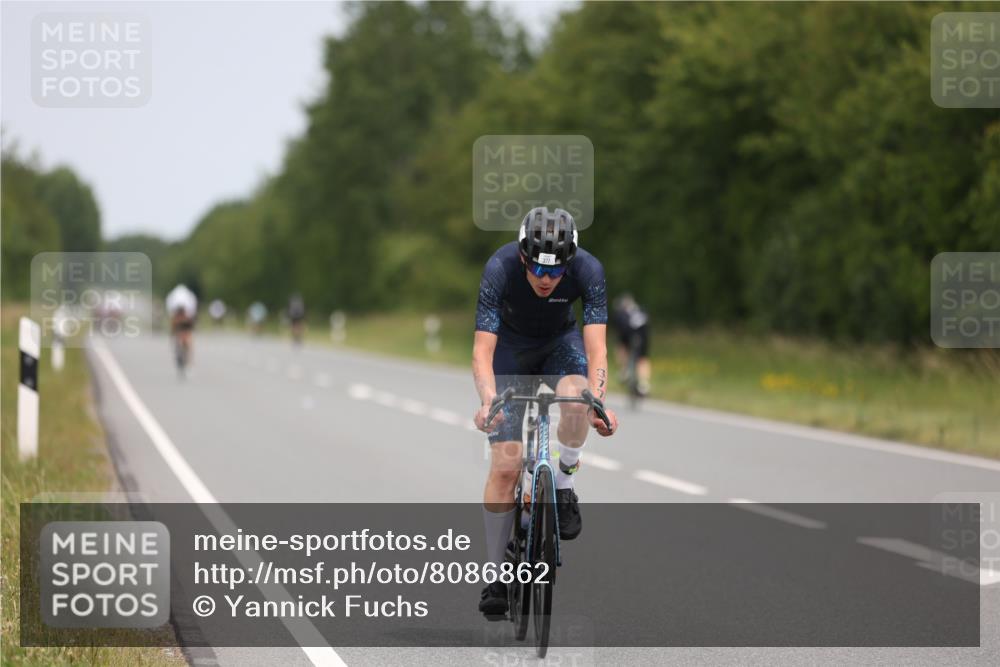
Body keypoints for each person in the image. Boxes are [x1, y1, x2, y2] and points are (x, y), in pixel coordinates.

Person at [472, 206, 619, 618]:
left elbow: (597, 350)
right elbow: (482, 351)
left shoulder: (589, 270)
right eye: (538, 268)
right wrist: (488, 400)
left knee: (576, 398)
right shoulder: (499, 268)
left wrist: (598, 401)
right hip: (510, 352)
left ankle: (564, 482)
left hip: (560, 344)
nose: (546, 278)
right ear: (523, 256)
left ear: (570, 261)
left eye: (556, 272)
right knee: (504, 465)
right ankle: (496, 576)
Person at [611, 293, 651, 396]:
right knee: (642, 358)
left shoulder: (620, 312)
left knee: (621, 347)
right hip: (642, 336)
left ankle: (624, 371)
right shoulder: (640, 310)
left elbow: (619, 330)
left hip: (627, 335)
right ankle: (644, 384)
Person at [165, 284, 198, 372]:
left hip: (187, 315)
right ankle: (179, 346)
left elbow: (191, 317)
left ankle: (187, 356)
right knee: (182, 332)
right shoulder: (174, 300)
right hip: (179, 314)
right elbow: (172, 317)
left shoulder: (188, 302)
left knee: (187, 335)